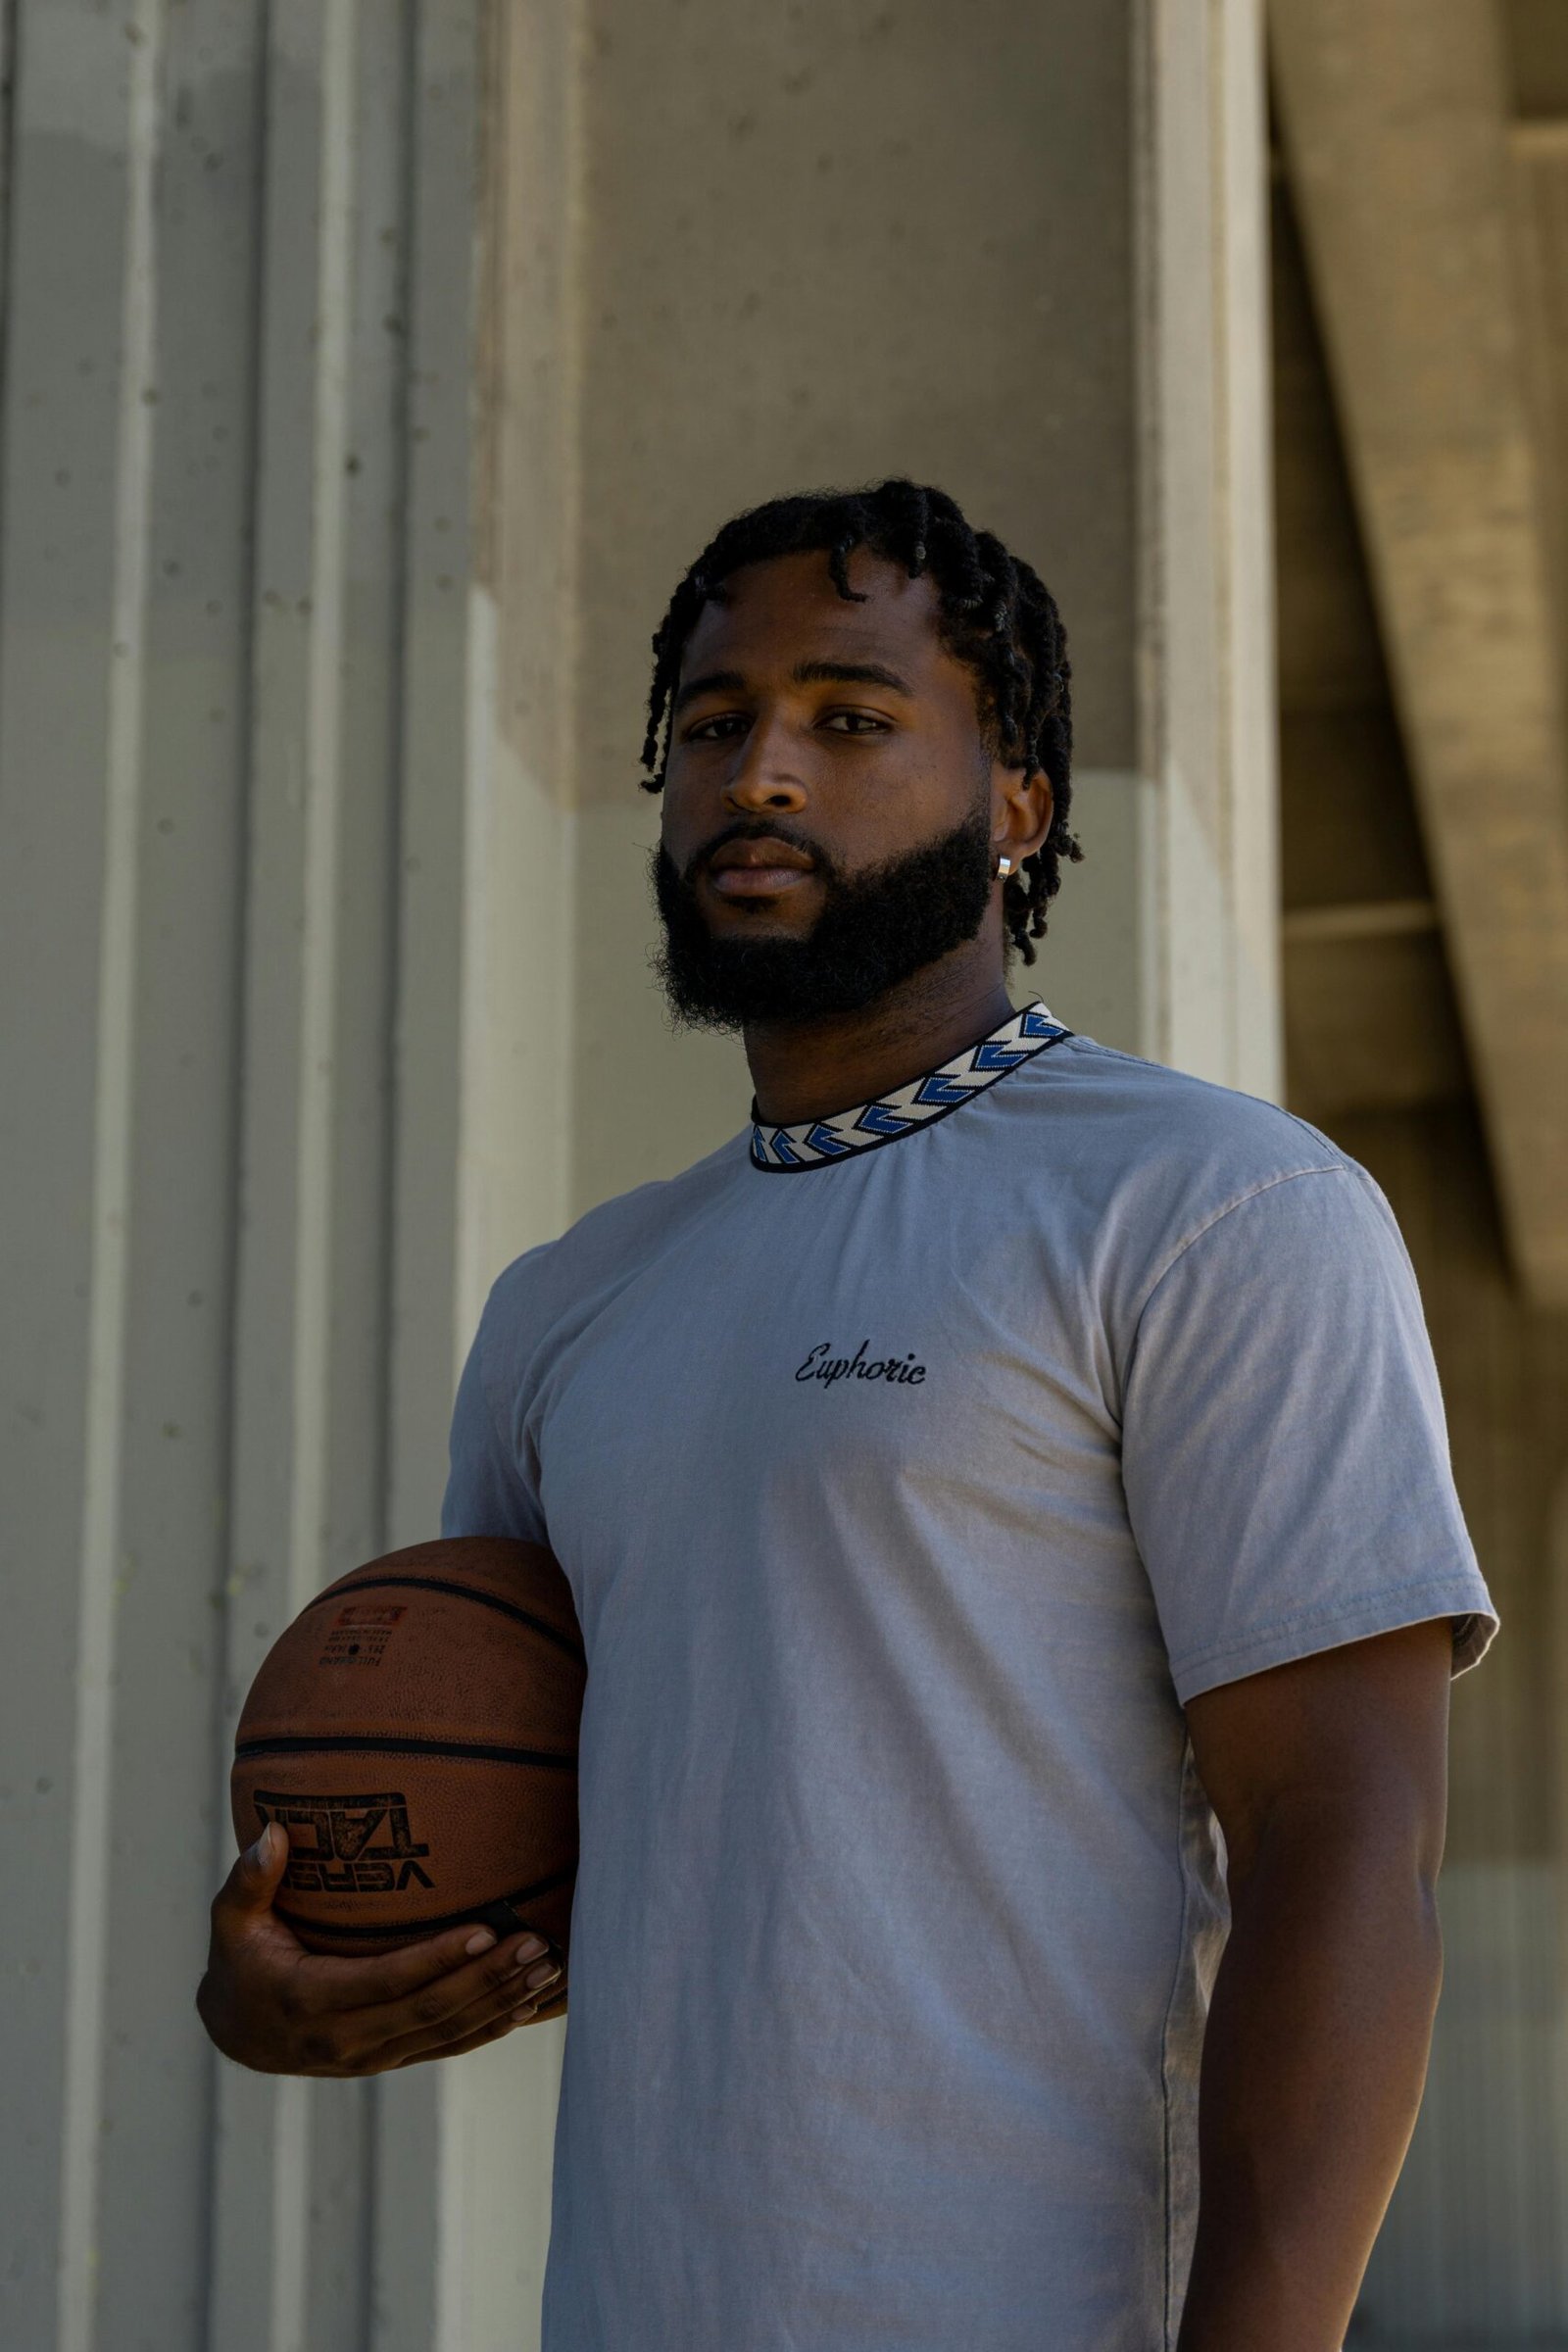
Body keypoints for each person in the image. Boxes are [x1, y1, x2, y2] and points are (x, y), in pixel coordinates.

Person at [200, 480, 1496, 2351]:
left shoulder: (1215, 1205)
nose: (762, 773)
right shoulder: (567, 1307)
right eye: (714, 722)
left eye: (853, 716)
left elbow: (1346, 1845)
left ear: (1019, 803)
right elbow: (534, 1841)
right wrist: (290, 1984)